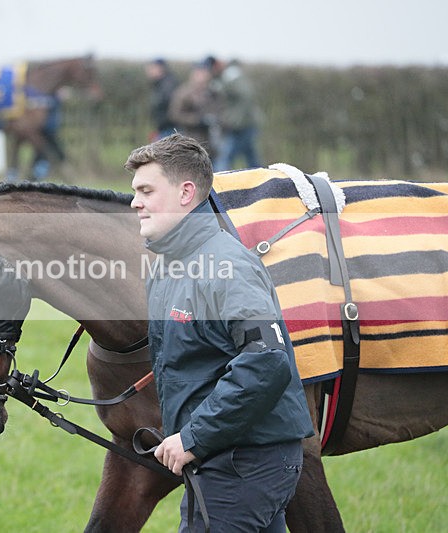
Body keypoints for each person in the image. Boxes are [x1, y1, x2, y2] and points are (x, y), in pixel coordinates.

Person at [126, 133, 314, 532]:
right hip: (220, 457)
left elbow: (267, 361)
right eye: (135, 192)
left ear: (185, 193)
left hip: (246, 464)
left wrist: (193, 437)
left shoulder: (227, 267)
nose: (134, 202)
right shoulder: (165, 269)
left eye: (146, 191)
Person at [205, 56, 264, 171]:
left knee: (225, 157)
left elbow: (246, 95)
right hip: (246, 124)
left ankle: (219, 180)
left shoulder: (231, 76)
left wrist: (235, 120)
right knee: (251, 157)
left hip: (242, 125)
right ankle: (262, 178)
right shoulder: (227, 77)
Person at [167, 62, 217, 160]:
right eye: (200, 72)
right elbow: (174, 114)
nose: (203, 76)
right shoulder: (184, 92)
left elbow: (220, 109)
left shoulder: (212, 92)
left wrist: (215, 120)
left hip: (210, 141)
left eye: (205, 72)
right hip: (190, 141)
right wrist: (197, 120)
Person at [145, 58, 179, 140]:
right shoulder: (161, 84)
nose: (149, 71)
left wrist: (162, 125)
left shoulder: (168, 85)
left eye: (152, 68)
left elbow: (170, 108)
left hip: (169, 129)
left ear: (160, 68)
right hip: (164, 129)